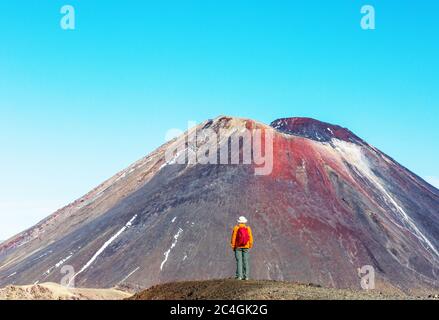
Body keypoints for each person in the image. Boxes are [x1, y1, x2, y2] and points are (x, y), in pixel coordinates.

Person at [230, 216, 253, 280]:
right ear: (245, 222)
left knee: (239, 261)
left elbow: (233, 238)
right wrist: (250, 245)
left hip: (238, 247)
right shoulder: (248, 228)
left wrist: (233, 246)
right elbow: (250, 238)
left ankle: (239, 276)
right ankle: (246, 276)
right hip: (246, 247)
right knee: (245, 261)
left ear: (239, 222)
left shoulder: (236, 228)